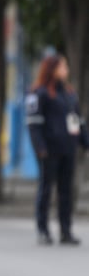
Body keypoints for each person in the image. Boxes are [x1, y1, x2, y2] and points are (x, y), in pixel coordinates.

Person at [26, 54, 89, 245]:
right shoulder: (39, 93)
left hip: (67, 149)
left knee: (66, 191)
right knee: (46, 189)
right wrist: (40, 148)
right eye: (63, 67)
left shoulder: (69, 94)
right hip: (49, 150)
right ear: (52, 69)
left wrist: (85, 143)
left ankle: (65, 231)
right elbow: (34, 124)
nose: (66, 70)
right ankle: (43, 230)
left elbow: (77, 122)